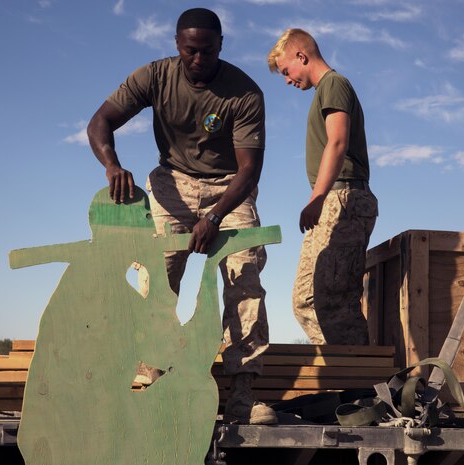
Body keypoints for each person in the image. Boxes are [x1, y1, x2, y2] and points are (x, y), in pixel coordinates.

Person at [87, 7, 276, 425]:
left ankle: (243, 393)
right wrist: (112, 164)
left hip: (229, 186)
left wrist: (215, 216)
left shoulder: (244, 92)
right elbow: (100, 121)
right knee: (158, 275)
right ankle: (150, 378)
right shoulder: (154, 76)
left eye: (207, 51)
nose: (198, 59)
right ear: (177, 45)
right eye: (190, 51)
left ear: (220, 46)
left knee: (244, 276)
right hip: (171, 182)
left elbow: (249, 170)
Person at [267, 29, 378, 345]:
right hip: (336, 197)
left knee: (325, 303)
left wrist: (317, 197)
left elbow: (338, 141)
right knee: (312, 300)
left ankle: (358, 383)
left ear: (301, 56)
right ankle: (346, 379)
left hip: (343, 198)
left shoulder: (333, 84)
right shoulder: (325, 91)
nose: (287, 80)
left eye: (286, 71)